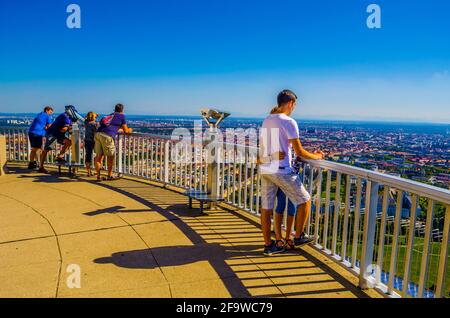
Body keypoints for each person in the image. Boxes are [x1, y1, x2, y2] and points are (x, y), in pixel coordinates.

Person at [259, 89, 324, 256]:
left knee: (266, 208)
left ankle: (269, 245)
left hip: (266, 168)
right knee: (305, 200)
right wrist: (317, 156)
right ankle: (299, 236)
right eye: (294, 105)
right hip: (281, 170)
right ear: (290, 103)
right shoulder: (289, 122)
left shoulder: (267, 120)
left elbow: (264, 148)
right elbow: (300, 151)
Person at [95, 103, 132, 181]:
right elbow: (126, 130)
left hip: (98, 134)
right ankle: (110, 175)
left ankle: (98, 176)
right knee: (110, 156)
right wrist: (130, 130)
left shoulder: (110, 115)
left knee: (98, 157)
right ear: (122, 110)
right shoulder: (121, 116)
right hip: (107, 136)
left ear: (114, 109)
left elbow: (111, 126)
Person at [39, 107, 75, 173]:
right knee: (46, 150)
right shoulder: (66, 117)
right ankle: (41, 167)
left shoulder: (64, 115)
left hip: (57, 134)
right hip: (53, 134)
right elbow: (63, 129)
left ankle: (60, 156)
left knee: (68, 142)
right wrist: (70, 129)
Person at [84, 112, 99, 176]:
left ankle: (88, 172)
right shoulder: (95, 123)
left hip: (87, 141)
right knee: (99, 155)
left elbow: (85, 119)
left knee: (88, 156)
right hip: (94, 141)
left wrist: (91, 116)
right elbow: (98, 130)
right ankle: (97, 171)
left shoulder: (86, 122)